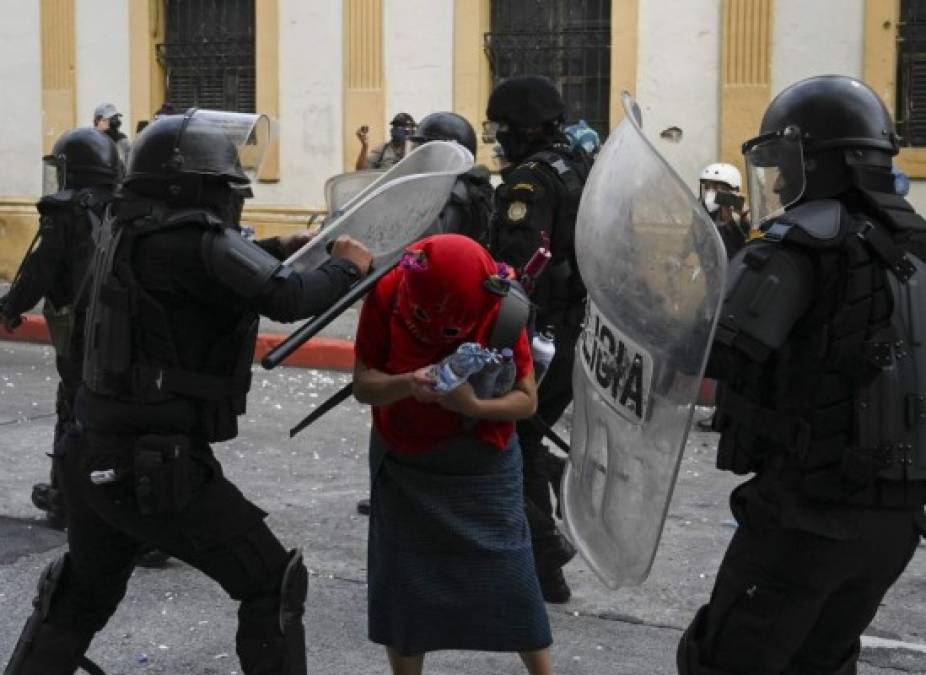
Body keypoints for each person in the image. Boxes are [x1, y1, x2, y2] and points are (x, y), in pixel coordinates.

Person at [4, 109, 373, 675]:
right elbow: (289, 298)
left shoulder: (129, 226)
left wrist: (277, 244)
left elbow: (218, 268)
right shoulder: (189, 237)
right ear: (194, 187)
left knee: (82, 593)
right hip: (151, 463)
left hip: (93, 449)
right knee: (272, 581)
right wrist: (347, 267)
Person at [677, 75, 926, 674]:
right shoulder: (918, 242)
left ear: (818, 161)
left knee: (724, 662)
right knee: (822, 663)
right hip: (897, 523)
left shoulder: (797, 243)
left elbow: (716, 353)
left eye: (786, 164)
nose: (780, 181)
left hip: (807, 515)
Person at [353, 234, 553, 675]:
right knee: (405, 591)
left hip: (484, 462)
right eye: (423, 315)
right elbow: (364, 384)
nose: (433, 326)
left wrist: (474, 408)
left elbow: (527, 401)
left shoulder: (505, 307)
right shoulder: (389, 293)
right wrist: (408, 383)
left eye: (450, 324)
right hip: (405, 460)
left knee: (513, 581)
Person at [486, 74, 593, 603]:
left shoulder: (528, 182)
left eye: (502, 128)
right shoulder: (581, 167)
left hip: (539, 333)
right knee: (524, 435)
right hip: (579, 329)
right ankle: (543, 570)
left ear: (522, 130)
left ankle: (544, 553)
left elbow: (515, 271)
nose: (498, 138)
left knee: (510, 439)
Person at [0, 128, 120, 529]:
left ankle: (67, 498)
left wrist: (11, 307)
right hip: (120, 326)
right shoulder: (123, 205)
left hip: (80, 328)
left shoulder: (63, 210)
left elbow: (40, 268)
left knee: (73, 409)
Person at [410, 111, 494, 243]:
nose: (419, 156)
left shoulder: (455, 195)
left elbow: (432, 243)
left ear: (450, 152)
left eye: (426, 150)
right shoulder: (443, 186)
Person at [698, 162, 752, 258]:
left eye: (716, 187)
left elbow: (756, 240)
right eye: (707, 187)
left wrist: (744, 215)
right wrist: (680, 257)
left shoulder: (741, 214)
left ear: (732, 191)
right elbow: (692, 235)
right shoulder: (704, 213)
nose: (710, 192)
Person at [93, 102, 131, 172]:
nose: (114, 121)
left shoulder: (122, 141)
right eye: (110, 118)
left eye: (115, 118)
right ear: (98, 121)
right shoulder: (91, 140)